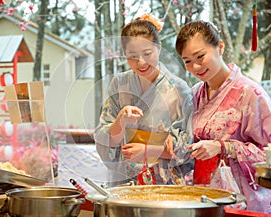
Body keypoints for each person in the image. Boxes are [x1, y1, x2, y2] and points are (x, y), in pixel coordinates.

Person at [175, 20, 271, 213]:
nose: (195, 67)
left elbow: (268, 155)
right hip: (203, 196)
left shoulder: (251, 93)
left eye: (200, 56)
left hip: (243, 199)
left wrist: (223, 147)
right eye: (187, 61)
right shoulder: (194, 94)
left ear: (220, 47)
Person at [94, 13, 193, 186]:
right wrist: (120, 121)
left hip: (163, 183)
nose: (141, 63)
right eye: (132, 56)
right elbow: (104, 139)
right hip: (123, 181)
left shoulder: (179, 89)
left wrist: (147, 151)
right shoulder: (120, 84)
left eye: (147, 53)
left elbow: (187, 147)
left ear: (159, 48)